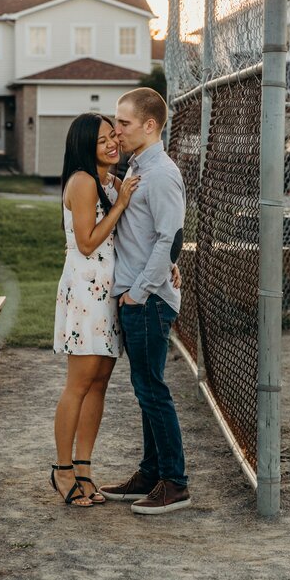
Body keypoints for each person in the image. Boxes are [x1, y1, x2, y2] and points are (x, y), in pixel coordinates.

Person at [100, 88, 190, 517]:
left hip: (147, 300)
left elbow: (169, 239)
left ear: (150, 125)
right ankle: (152, 472)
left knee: (152, 390)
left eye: (125, 122)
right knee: (145, 389)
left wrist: (138, 292)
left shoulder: (162, 174)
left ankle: (174, 483)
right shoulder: (138, 165)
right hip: (140, 295)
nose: (117, 129)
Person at [50, 115, 142, 509]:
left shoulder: (110, 180)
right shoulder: (85, 182)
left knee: (100, 380)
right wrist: (121, 204)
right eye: (103, 139)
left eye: (113, 137)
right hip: (87, 289)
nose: (112, 144)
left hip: (108, 289)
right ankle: (62, 468)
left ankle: (85, 466)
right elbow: (86, 243)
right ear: (86, 146)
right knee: (80, 381)